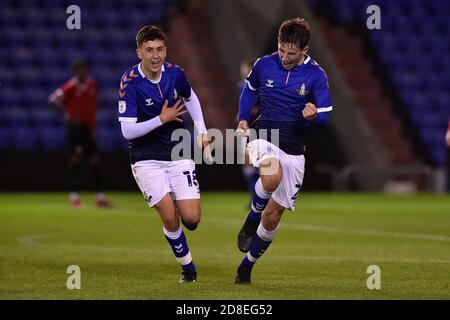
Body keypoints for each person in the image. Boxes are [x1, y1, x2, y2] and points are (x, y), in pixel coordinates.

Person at [234, 18, 333, 284]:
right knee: (271, 176)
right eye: (282, 50)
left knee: (273, 216)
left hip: (294, 151)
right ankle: (250, 219)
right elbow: (249, 90)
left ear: (304, 49)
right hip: (263, 137)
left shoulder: (316, 75)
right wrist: (243, 118)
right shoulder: (264, 64)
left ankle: (247, 265)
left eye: (292, 53)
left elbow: (325, 117)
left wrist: (314, 116)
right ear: (278, 43)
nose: (285, 57)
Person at [118, 25, 209, 283]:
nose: (155, 56)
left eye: (159, 49)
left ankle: (177, 213)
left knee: (191, 219)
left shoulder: (176, 74)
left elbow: (191, 99)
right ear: (139, 53)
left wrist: (201, 130)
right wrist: (162, 118)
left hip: (177, 151)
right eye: (149, 50)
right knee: (169, 216)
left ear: (165, 50)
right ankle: (188, 268)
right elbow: (127, 131)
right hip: (146, 158)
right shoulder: (129, 82)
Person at [48, 60, 113, 208]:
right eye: (80, 70)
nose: (83, 72)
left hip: (88, 129)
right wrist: (66, 115)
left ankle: (100, 197)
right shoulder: (71, 86)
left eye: (84, 69)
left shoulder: (92, 84)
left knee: (95, 160)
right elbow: (52, 100)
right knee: (76, 160)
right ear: (75, 72)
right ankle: (74, 197)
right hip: (76, 130)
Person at [237, 59, 260, 193]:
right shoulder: (241, 86)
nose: (244, 71)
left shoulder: (260, 86)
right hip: (245, 128)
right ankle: (254, 193)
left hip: (257, 128)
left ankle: (261, 193)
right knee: (246, 161)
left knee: (259, 162)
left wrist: (254, 110)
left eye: (246, 68)